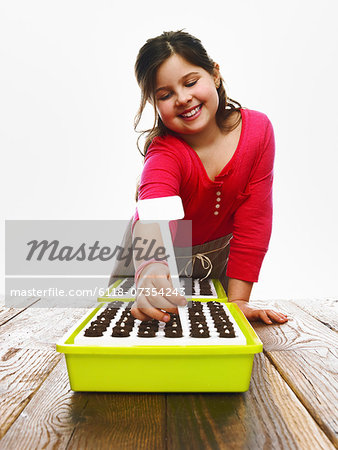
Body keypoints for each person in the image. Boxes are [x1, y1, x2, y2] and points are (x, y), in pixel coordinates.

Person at [127, 30, 288, 325]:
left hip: (215, 265)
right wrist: (150, 271)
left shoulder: (258, 132)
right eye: (165, 94)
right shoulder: (164, 153)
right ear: (154, 103)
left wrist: (238, 300)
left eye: (190, 82)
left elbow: (254, 221)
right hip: (149, 263)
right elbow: (153, 219)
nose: (183, 98)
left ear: (214, 73)